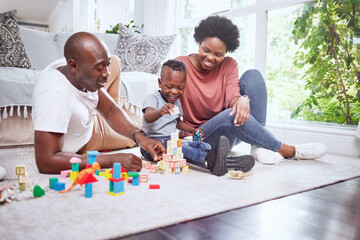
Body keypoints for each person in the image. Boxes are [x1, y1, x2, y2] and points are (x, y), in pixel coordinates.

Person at [176, 15, 326, 166]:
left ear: (226, 52)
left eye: (218, 54)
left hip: (231, 132)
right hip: (202, 137)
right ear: (199, 43)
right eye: (206, 50)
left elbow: (232, 97)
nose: (210, 57)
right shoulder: (181, 65)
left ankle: (259, 145)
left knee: (253, 76)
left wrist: (242, 99)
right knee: (231, 114)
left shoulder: (229, 65)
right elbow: (168, 100)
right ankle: (289, 151)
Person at [32, 32, 165, 174]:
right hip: (86, 139)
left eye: (106, 65)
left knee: (115, 61)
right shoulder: (54, 96)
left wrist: (140, 137)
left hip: (84, 115)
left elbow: (110, 111)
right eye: (99, 68)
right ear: (73, 65)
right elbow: (46, 162)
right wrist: (110, 160)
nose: (106, 73)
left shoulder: (78, 69)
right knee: (148, 128)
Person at [140, 59, 255, 176]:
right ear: (160, 83)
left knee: (195, 145)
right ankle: (209, 160)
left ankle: (218, 158)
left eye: (180, 88)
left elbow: (177, 122)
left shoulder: (176, 103)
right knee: (184, 150)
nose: (174, 91)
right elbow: (148, 116)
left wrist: (193, 130)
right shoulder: (154, 98)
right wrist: (161, 111)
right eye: (169, 87)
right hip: (152, 144)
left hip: (171, 141)